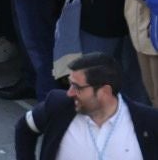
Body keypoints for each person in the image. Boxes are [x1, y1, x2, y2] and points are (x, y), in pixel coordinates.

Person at [14, 51, 158, 159]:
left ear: (105, 91)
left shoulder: (148, 121)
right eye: (69, 84)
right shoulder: (58, 106)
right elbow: (24, 128)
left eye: (77, 87)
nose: (69, 93)